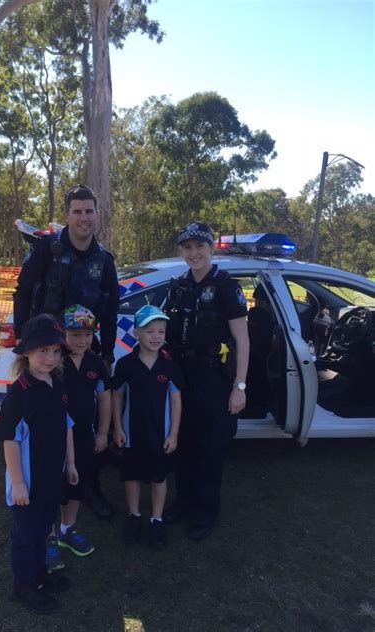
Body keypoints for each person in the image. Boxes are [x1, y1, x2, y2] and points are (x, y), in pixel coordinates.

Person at [13, 183, 119, 518]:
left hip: (86, 354)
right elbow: (23, 293)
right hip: (47, 357)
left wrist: (107, 355)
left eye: (89, 211)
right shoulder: (47, 249)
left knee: (85, 425)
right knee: (45, 422)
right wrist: (22, 344)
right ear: (67, 215)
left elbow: (111, 310)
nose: (84, 218)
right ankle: (39, 487)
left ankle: (90, 487)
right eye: (77, 211)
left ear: (97, 214)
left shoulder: (104, 259)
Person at [163, 221, 249, 541]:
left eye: (200, 246)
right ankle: (183, 502)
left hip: (213, 376)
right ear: (182, 251)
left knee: (209, 450)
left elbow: (242, 340)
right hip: (182, 376)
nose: (194, 253)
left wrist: (239, 387)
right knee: (183, 445)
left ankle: (206, 512)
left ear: (211, 249)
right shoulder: (177, 286)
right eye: (188, 247)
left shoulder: (226, 286)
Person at [0, 313, 78, 613]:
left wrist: (70, 464)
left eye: (56, 351)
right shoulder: (20, 393)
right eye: (43, 350)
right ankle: (24, 585)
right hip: (26, 484)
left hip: (50, 478)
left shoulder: (56, 385)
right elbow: (9, 440)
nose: (50, 358)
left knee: (44, 528)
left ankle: (41, 574)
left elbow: (66, 425)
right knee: (25, 534)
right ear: (26, 352)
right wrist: (17, 483)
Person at [45, 305, 112, 565]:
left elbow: (104, 399)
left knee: (77, 483)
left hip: (85, 435)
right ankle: (48, 536)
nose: (82, 340)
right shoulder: (53, 362)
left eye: (87, 334)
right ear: (63, 334)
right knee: (51, 486)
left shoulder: (96, 362)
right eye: (75, 335)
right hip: (52, 437)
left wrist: (103, 433)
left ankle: (67, 529)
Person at [112, 305, 182, 550]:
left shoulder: (169, 366)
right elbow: (117, 396)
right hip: (132, 435)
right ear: (137, 333)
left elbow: (175, 400)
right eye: (149, 331)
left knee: (158, 477)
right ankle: (134, 516)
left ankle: (156, 518)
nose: (156, 336)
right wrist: (118, 428)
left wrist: (173, 433)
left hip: (160, 436)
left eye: (161, 331)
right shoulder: (125, 364)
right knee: (132, 476)